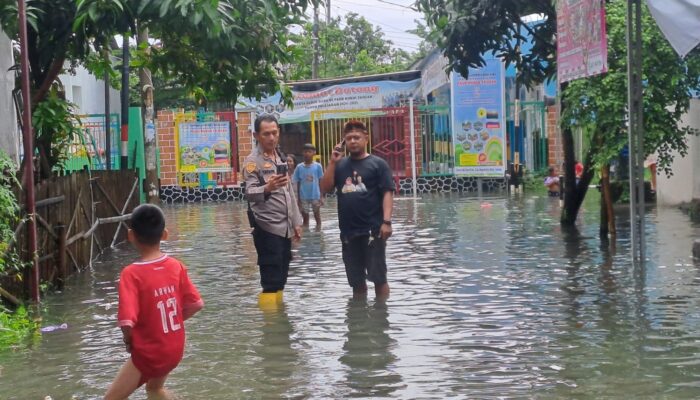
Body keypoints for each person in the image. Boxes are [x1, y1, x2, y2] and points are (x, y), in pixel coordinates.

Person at [105, 204, 204, 400]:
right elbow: (196, 304)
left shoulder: (131, 274)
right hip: (174, 348)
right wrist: (171, 322)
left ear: (131, 235)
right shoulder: (176, 266)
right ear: (165, 234)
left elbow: (126, 321)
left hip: (150, 352)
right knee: (154, 389)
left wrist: (129, 341)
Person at [320, 120, 394, 300]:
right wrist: (332, 162)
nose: (353, 141)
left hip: (373, 231)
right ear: (344, 141)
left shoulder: (378, 164)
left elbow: (387, 193)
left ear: (366, 139)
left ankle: (380, 317)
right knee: (356, 282)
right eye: (349, 138)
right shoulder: (339, 165)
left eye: (357, 137)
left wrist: (387, 222)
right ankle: (358, 322)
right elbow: (325, 188)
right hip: (348, 233)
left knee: (379, 279)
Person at [243, 115, 303, 309]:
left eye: (274, 133)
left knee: (282, 276)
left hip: (285, 227)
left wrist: (296, 221)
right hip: (266, 226)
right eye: (266, 134)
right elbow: (249, 193)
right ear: (256, 135)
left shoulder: (280, 157)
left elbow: (289, 193)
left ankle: (280, 323)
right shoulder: (252, 162)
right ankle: (271, 331)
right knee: (270, 279)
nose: (271, 137)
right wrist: (267, 188)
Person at [292, 143, 324, 227]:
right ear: (302, 153)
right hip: (303, 197)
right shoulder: (299, 167)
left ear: (314, 153)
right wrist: (298, 199)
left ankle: (318, 236)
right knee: (305, 219)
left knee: (317, 217)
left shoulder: (318, 166)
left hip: (315, 196)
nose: (307, 154)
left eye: (309, 152)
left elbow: (321, 181)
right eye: (305, 152)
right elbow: (298, 183)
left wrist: (321, 196)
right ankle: (306, 237)